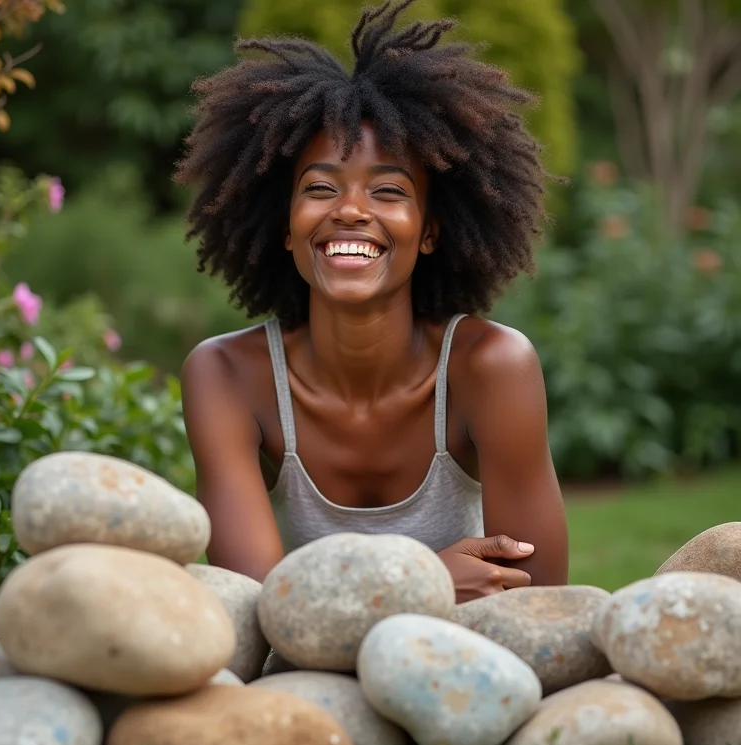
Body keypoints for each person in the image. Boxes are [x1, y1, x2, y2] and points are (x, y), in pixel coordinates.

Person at [176, 0, 568, 603]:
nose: (351, 209)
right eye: (320, 188)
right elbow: (254, 606)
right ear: (286, 227)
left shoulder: (491, 368)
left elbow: (540, 604)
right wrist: (425, 581)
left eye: (388, 190)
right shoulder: (227, 376)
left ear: (430, 229)